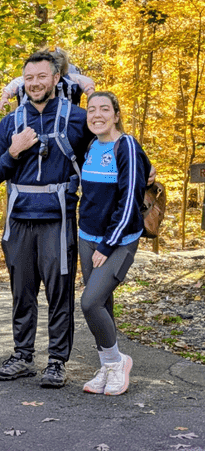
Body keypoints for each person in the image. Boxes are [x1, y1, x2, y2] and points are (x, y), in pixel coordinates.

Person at [0, 50, 93, 388]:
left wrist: (141, 167)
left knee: (59, 292)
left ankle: (57, 361)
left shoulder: (78, 119)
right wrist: (13, 150)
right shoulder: (10, 123)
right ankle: (22, 356)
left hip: (57, 218)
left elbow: (105, 153)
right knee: (22, 292)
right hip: (19, 218)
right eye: (29, 78)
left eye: (41, 77)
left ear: (56, 79)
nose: (35, 83)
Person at [78, 92, 151, 396]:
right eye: (91, 110)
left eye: (104, 109)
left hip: (117, 241)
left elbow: (130, 200)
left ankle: (117, 362)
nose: (97, 115)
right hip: (87, 236)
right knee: (102, 304)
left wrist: (107, 245)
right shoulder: (91, 146)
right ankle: (107, 366)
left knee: (89, 302)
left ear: (117, 115)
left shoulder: (127, 146)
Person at [0, 47, 96, 110]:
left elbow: (86, 82)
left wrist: (91, 97)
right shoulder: (31, 78)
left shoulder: (70, 78)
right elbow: (16, 83)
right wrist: (4, 97)